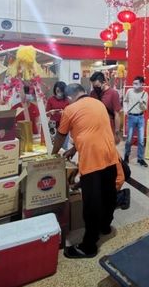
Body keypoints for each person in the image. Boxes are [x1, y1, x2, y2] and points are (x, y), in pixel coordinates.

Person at [52, 84, 121, 259]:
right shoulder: (99, 104)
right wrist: (74, 149)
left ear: (69, 98)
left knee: (91, 204)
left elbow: (60, 135)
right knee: (108, 196)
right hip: (110, 157)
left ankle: (89, 246)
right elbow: (91, 130)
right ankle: (105, 227)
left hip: (92, 161)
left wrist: (52, 154)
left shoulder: (70, 109)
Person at [123, 76, 149, 167]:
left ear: (142, 84)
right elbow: (125, 101)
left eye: (136, 83)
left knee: (141, 140)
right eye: (133, 83)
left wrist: (141, 103)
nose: (134, 85)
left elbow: (145, 108)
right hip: (131, 117)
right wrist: (125, 109)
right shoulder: (129, 91)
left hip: (140, 117)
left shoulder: (145, 93)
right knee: (129, 139)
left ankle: (140, 159)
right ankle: (126, 156)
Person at [90, 72, 121, 145]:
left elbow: (117, 114)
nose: (95, 88)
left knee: (108, 147)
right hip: (95, 127)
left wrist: (117, 132)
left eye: (97, 86)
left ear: (104, 82)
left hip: (109, 127)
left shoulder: (113, 93)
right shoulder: (93, 93)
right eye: (93, 86)